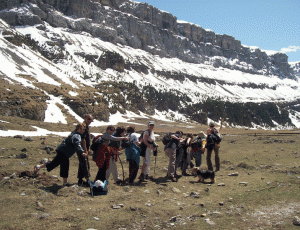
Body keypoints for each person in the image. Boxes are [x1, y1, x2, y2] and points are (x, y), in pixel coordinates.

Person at [77, 114, 93, 187]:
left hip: (85, 148)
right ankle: (87, 180)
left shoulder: (87, 127)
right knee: (85, 163)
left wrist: (88, 148)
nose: (90, 121)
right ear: (85, 119)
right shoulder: (83, 126)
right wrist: (85, 150)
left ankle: (80, 180)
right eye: (89, 119)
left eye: (91, 119)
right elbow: (83, 140)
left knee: (82, 164)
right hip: (81, 148)